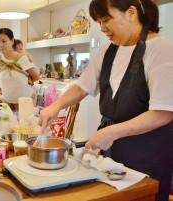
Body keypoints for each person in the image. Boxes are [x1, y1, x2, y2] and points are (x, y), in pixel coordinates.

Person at [38, 0, 173, 200]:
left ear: (131, 13)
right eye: (99, 22)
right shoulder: (108, 50)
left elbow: (163, 113)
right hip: (112, 150)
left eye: (106, 20)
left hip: (147, 152)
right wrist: (55, 106)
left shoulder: (161, 49)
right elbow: (82, 86)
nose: (102, 29)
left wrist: (111, 132)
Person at [0, 28, 40, 111]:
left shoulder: (21, 58)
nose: (1, 45)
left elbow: (36, 76)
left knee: (24, 123)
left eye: (4, 41)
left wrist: (29, 80)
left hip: (24, 101)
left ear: (12, 41)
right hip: (7, 101)